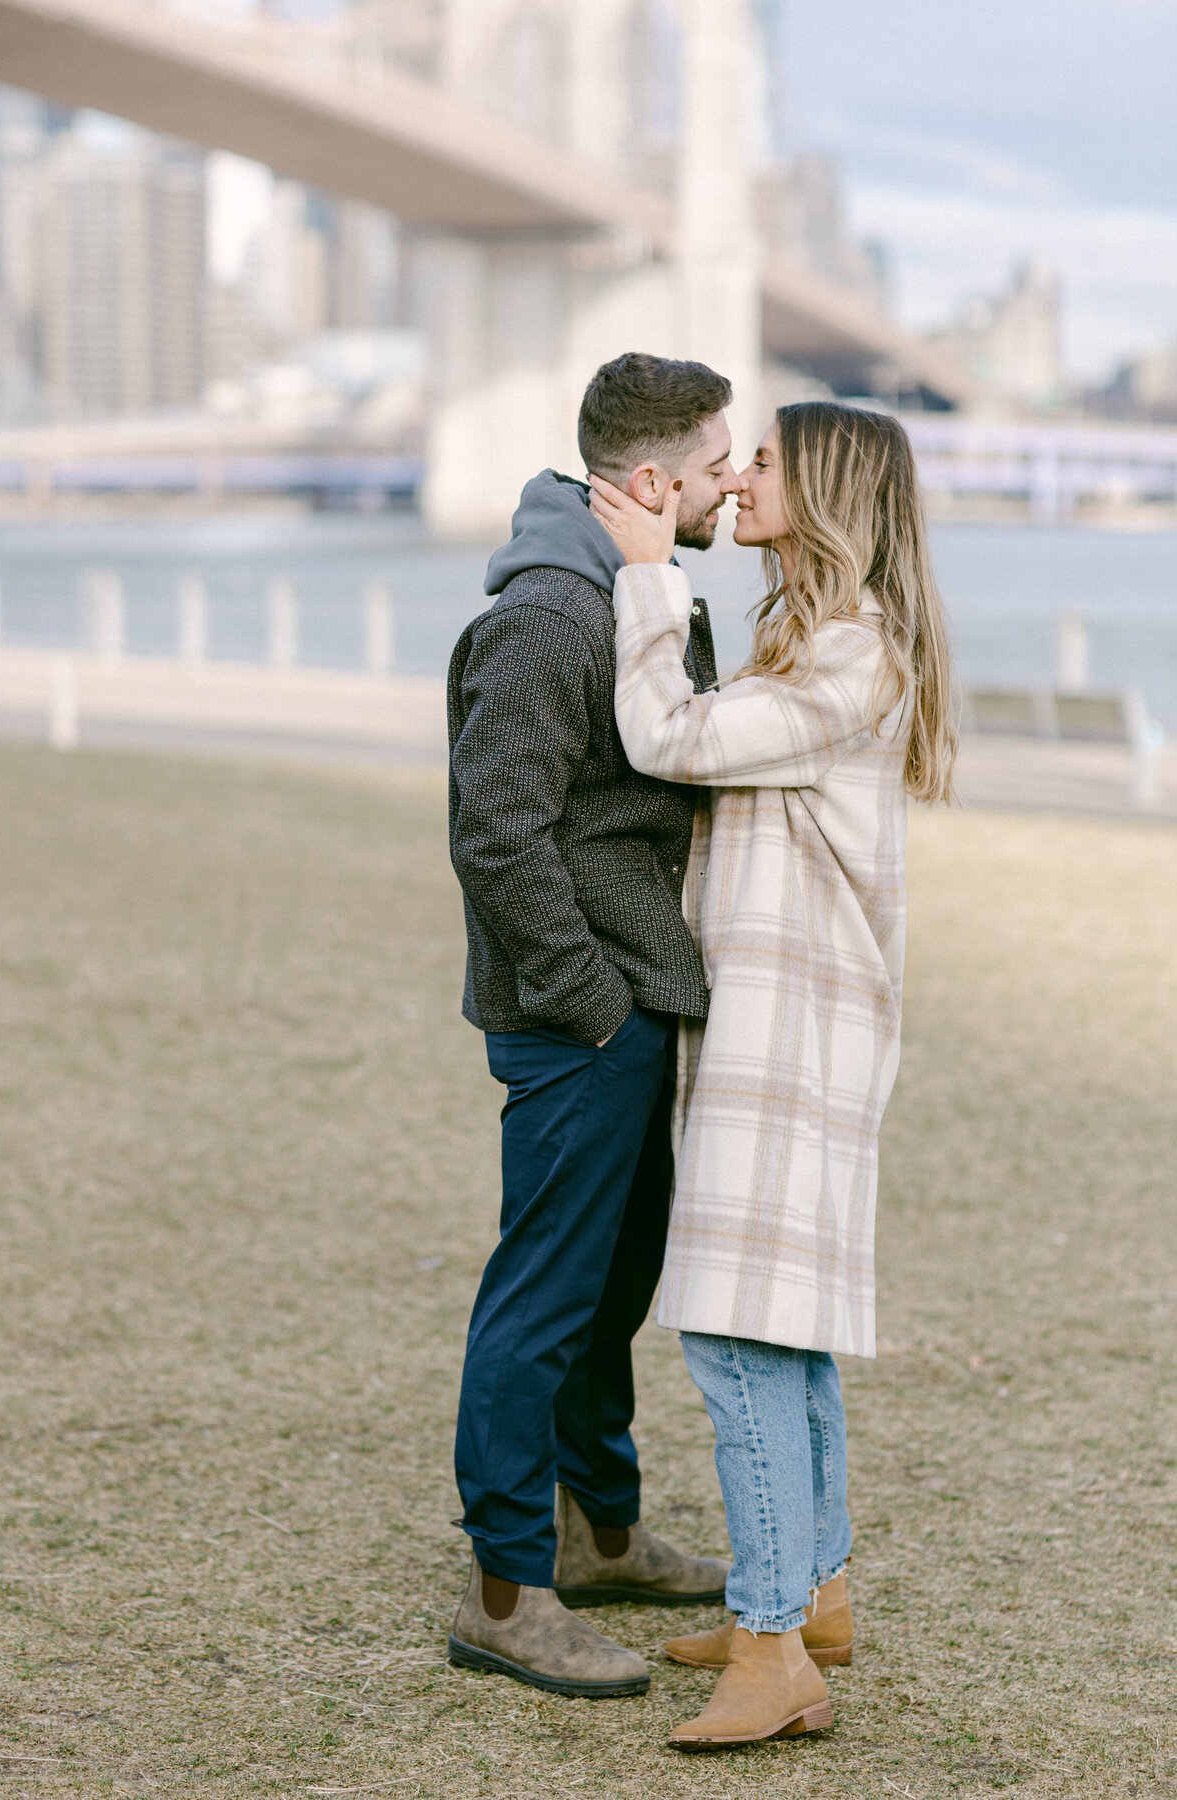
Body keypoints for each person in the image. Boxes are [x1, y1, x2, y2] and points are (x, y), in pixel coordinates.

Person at [590, 400, 957, 1748]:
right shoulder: (811, 641)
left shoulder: (850, 659)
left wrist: (642, 575)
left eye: (764, 463)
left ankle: (769, 1641)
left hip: (794, 1037)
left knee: (733, 1334)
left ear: (833, 495)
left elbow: (669, 742)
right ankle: (816, 1597)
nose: (735, 477)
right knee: (783, 1330)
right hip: (779, 1028)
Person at [445, 352, 745, 1699]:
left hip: (636, 1000)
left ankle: (601, 1530)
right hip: (585, 1015)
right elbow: (495, 836)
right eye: (714, 465)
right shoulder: (551, 617)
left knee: (611, 1294)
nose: (730, 483)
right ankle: (508, 1593)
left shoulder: (648, 598)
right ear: (647, 481)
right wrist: (595, 999)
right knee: (545, 1299)